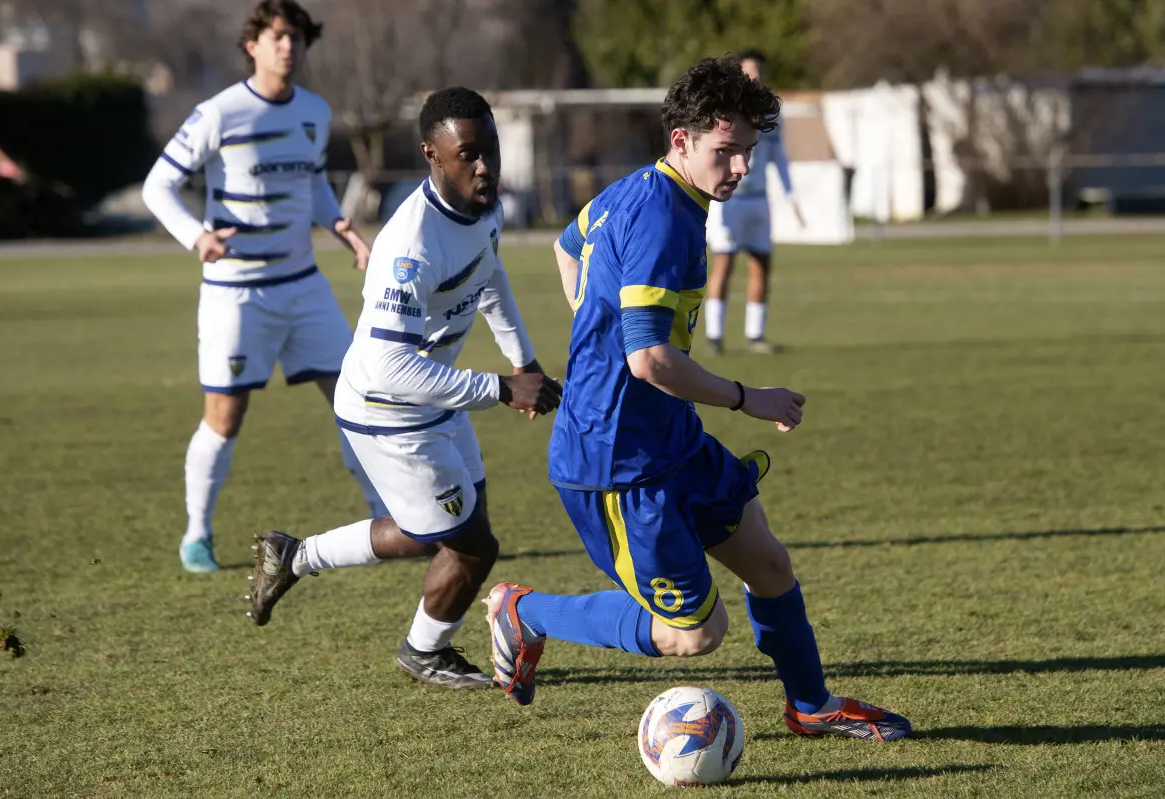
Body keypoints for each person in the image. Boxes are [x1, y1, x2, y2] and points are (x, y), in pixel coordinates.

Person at [484, 56, 911, 741]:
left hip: (671, 437)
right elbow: (650, 360)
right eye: (726, 151)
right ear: (681, 140)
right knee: (695, 634)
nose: (740, 168)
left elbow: (569, 247)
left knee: (769, 563)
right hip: (618, 462)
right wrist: (747, 397)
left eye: (748, 152)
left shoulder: (642, 190)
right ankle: (524, 612)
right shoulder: (663, 218)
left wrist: (597, 326)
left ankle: (811, 704)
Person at [247, 87, 562, 690]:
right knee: (472, 546)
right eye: (468, 154)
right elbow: (390, 367)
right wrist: (502, 388)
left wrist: (524, 362)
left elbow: (489, 274)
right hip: (388, 409)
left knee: (446, 527)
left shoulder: (484, 207)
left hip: (434, 396)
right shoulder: (410, 248)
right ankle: (424, 653)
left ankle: (294, 556)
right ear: (431, 155)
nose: (485, 166)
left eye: (490, 149)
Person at [141, 0, 381, 573]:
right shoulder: (219, 113)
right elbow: (157, 186)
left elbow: (313, 181)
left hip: (304, 285)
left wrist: (343, 229)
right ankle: (197, 535)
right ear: (253, 45)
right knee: (225, 416)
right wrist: (198, 236)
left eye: (296, 37)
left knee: (357, 397)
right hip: (237, 291)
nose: (288, 47)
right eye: (277, 37)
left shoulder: (315, 112)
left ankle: (388, 519)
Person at [704, 48, 805, 356]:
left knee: (761, 263)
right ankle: (714, 336)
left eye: (758, 71)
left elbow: (779, 157)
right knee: (723, 264)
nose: (755, 76)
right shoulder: (726, 109)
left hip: (759, 199)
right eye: (749, 71)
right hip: (730, 199)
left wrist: (791, 196)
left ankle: (755, 336)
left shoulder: (771, 111)